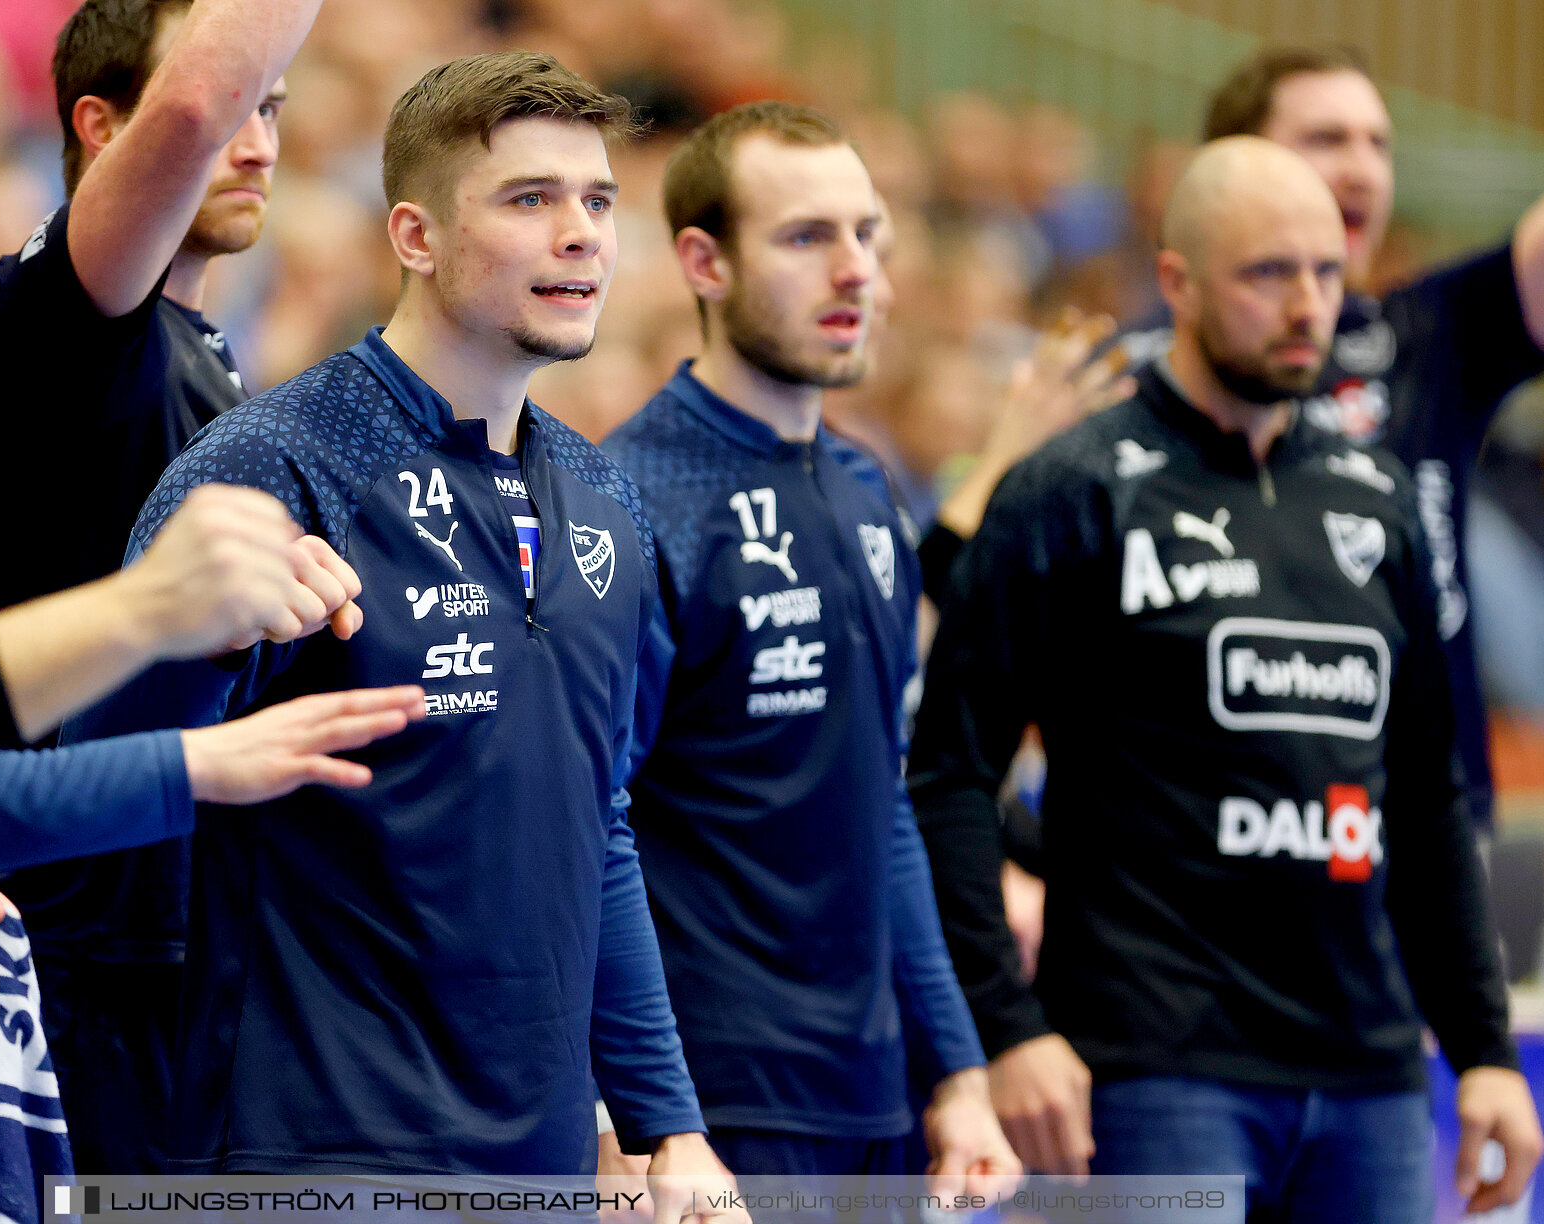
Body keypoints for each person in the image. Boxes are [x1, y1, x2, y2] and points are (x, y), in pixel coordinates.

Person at [62, 51, 742, 1206]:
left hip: (536, 1158)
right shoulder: (272, 466)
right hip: (308, 1149)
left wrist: (666, 1119)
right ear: (416, 238)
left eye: (598, 201)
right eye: (530, 200)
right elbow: (98, 781)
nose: (581, 234)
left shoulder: (604, 496)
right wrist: (208, 650)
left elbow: (600, 821)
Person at [912, 136, 1543, 1219]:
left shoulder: (1377, 500)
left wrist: (1482, 1050)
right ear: (1178, 282)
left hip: (1371, 1075)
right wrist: (1009, 1030)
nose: (1307, 303)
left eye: (1326, 273)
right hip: (1154, 1070)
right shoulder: (1073, 490)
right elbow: (949, 778)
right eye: (1267, 273)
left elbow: (1428, 799)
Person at [0, 0, 320, 1172]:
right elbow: (194, 99)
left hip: (171, 921)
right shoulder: (52, 315)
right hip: (62, 927)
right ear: (101, 128)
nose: (254, 143)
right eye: (230, 117)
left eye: (276, 112)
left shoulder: (205, 348)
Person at [599, 101, 1017, 1192]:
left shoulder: (868, 486)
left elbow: (883, 801)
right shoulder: (629, 497)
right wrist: (633, 1106)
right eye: (805, 238)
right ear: (704, 262)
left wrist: (959, 1069)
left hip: (875, 1093)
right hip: (714, 1102)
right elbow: (588, 826)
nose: (855, 272)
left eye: (867, 234)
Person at [1121, 46, 1544, 834]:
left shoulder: (1424, 334)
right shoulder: (1135, 380)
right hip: (1206, 846)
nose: (1361, 170)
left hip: (1423, 832)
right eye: (1325, 139)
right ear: (1233, 167)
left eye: (1377, 144)